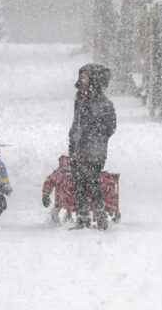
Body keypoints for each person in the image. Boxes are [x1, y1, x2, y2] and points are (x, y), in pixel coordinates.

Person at [68, 63, 117, 230]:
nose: (82, 81)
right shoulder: (80, 100)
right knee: (79, 182)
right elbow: (76, 123)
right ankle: (83, 216)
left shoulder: (104, 104)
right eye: (81, 77)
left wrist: (93, 138)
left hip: (94, 150)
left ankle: (100, 213)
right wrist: (73, 142)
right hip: (79, 148)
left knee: (92, 180)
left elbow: (109, 128)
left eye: (85, 77)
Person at [41, 155, 76, 224]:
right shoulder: (75, 172)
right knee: (67, 209)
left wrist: (46, 194)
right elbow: (49, 182)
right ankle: (66, 220)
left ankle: (56, 221)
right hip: (70, 198)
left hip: (61, 197)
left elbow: (49, 182)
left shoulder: (58, 173)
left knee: (58, 209)